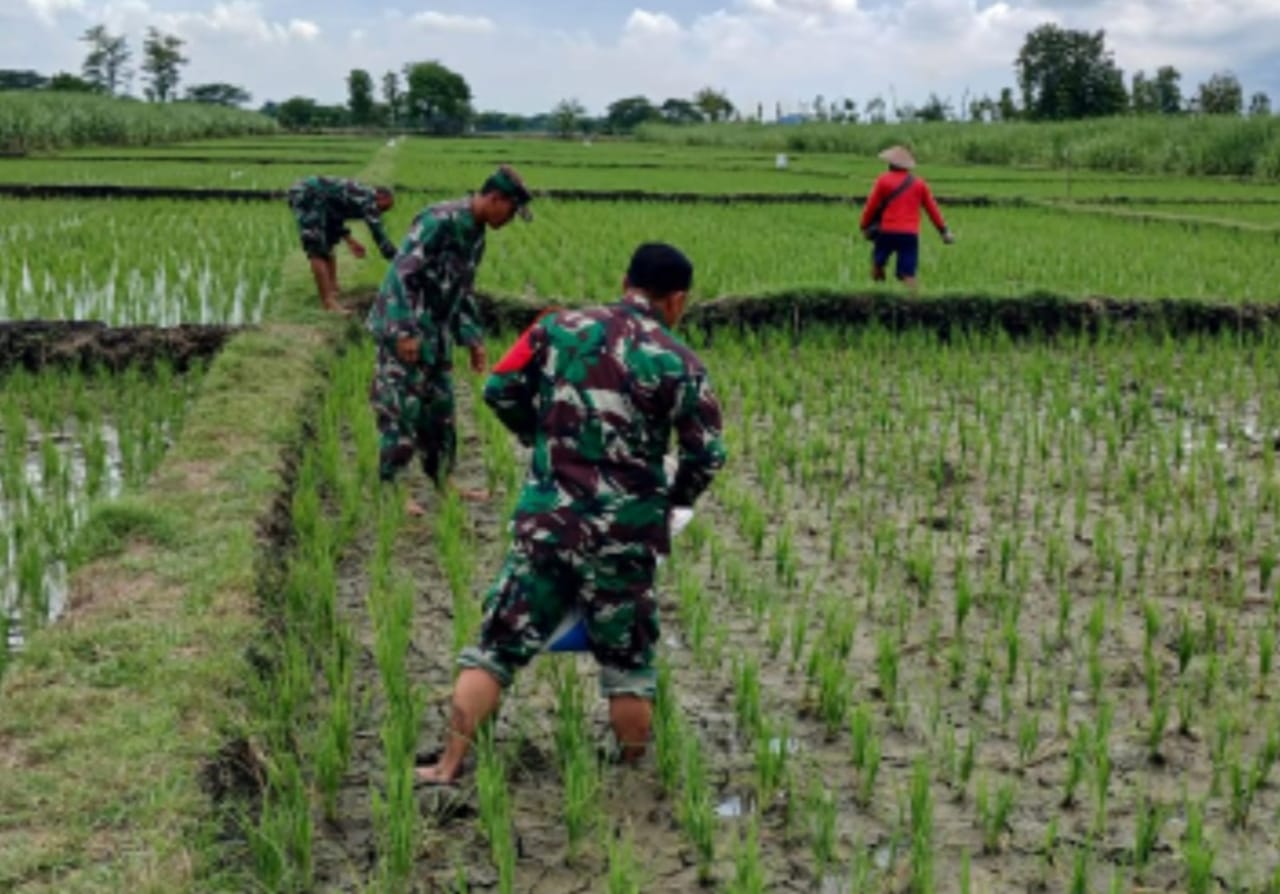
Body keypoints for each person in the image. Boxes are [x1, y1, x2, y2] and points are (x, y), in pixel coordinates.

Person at [416, 242, 727, 784]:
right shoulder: (679, 360)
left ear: (625, 279)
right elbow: (707, 454)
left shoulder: (555, 327)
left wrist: (541, 438)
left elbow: (498, 387)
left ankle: (446, 766)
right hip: (626, 534)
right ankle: (631, 776)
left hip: (548, 523)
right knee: (628, 661)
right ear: (676, 300)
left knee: (496, 645)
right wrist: (673, 500)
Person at [366, 164, 534, 515]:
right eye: (512, 211)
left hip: (435, 333)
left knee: (440, 411)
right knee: (401, 409)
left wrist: (472, 338)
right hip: (405, 329)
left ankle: (442, 481)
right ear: (495, 198)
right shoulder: (438, 220)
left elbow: (460, 289)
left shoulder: (476, 233)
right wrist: (404, 332)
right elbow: (401, 274)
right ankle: (393, 490)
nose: (511, 219)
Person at [287, 175, 397, 313]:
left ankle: (333, 289)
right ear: (381, 196)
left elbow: (336, 216)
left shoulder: (357, 196)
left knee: (329, 243)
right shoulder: (367, 197)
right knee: (316, 248)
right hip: (308, 194)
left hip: (322, 202)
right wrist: (399, 260)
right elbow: (379, 234)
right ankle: (328, 302)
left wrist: (351, 241)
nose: (382, 212)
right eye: (385, 207)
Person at [859, 145, 955, 290]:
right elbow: (932, 209)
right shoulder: (919, 184)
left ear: (890, 164)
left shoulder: (883, 181)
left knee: (878, 264)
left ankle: (878, 296)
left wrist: (864, 225)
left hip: (887, 231)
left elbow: (871, 206)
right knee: (908, 273)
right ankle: (916, 304)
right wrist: (943, 231)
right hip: (909, 234)